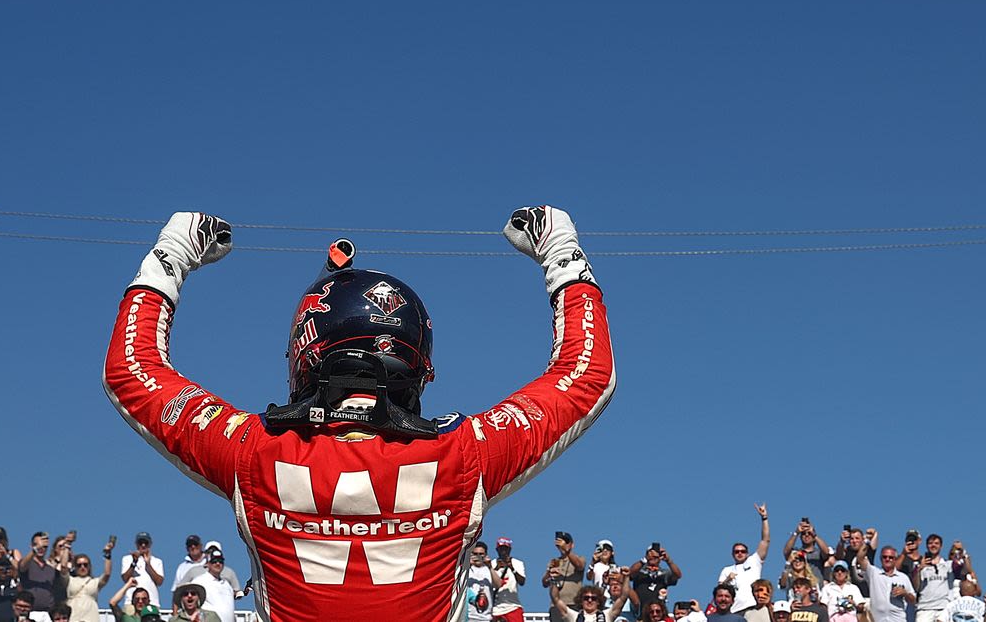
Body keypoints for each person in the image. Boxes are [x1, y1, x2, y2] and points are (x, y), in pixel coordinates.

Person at [102, 206, 614, 622]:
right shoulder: (465, 452)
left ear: (305, 349)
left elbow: (132, 369)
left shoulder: (250, 449)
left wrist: (168, 258)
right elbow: (586, 376)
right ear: (418, 362)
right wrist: (563, 256)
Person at [718, 506, 772, 613]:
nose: (739, 553)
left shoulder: (754, 561)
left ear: (747, 553)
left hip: (754, 608)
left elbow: (765, 540)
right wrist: (728, 580)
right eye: (736, 551)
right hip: (735, 611)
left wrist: (764, 518)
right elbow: (719, 590)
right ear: (732, 554)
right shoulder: (727, 570)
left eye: (742, 551)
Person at [856, 532, 915, 622]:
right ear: (881, 558)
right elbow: (860, 558)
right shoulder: (873, 573)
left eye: (891, 557)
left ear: (895, 559)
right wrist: (867, 541)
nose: (887, 559)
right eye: (885, 557)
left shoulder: (903, 577)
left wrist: (905, 594)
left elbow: (913, 600)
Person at [17, 534, 63, 618]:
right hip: (30, 613)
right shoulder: (28, 564)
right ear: (31, 546)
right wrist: (36, 549)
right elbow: (22, 566)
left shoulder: (51, 569)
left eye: (44, 547)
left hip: (47, 614)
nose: (41, 549)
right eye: (37, 545)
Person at [545, 532, 587, 622]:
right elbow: (544, 583)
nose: (563, 545)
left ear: (572, 545)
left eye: (566, 542)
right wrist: (549, 572)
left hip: (574, 603)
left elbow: (579, 565)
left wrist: (567, 551)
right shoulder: (554, 561)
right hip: (556, 605)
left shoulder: (580, 558)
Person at [64, 544, 113, 622]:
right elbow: (63, 568)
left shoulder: (95, 582)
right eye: (79, 565)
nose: (82, 567)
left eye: (85, 565)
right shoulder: (69, 580)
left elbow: (107, 574)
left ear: (89, 566)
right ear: (75, 567)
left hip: (91, 617)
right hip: (73, 617)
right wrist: (66, 549)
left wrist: (108, 554)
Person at [629, 545, 681, 611]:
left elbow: (678, 575)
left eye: (656, 555)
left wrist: (669, 561)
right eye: (651, 554)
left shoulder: (664, 573)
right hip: (640, 612)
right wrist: (644, 559)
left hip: (658, 612)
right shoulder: (639, 571)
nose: (653, 557)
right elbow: (630, 573)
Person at [915, 535, 954, 622]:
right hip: (924, 608)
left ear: (941, 546)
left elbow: (965, 569)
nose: (933, 545)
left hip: (943, 607)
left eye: (936, 543)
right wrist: (919, 569)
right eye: (930, 543)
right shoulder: (920, 565)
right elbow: (916, 587)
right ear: (927, 546)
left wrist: (960, 550)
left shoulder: (948, 565)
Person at [491, 538, 529, 622]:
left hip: (513, 606)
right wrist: (496, 568)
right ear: (497, 550)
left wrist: (512, 567)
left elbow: (522, 582)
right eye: (501, 548)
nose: (503, 551)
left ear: (510, 549)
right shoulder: (491, 564)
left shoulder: (517, 563)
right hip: (495, 608)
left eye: (506, 549)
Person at [551, 582, 629, 622]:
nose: (590, 600)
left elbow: (623, 597)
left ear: (598, 601)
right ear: (581, 600)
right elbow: (556, 599)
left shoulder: (607, 615)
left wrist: (626, 577)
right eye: (586, 598)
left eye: (593, 598)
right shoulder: (574, 616)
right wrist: (554, 580)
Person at [464, 543, 500, 622]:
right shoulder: (466, 570)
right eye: (475, 554)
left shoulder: (489, 570)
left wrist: (489, 566)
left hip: (485, 618)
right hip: (468, 617)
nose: (478, 556)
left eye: (481, 554)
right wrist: (467, 565)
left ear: (486, 554)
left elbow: (498, 585)